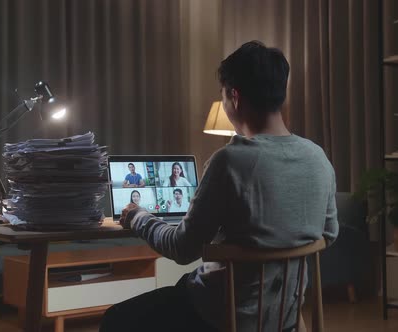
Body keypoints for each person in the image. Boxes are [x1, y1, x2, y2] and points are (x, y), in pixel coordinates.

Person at [100, 41, 338, 332]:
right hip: (282, 316)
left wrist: (138, 217)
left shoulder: (229, 160)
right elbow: (329, 234)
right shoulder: (318, 158)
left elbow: (182, 248)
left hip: (221, 315)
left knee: (116, 320)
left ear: (234, 96)